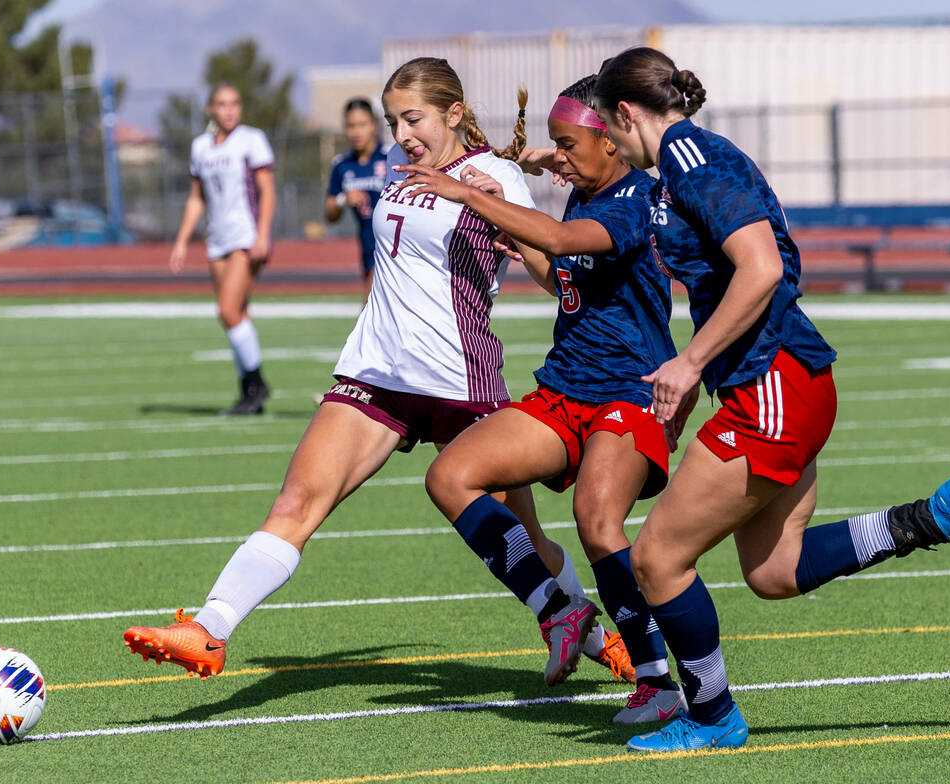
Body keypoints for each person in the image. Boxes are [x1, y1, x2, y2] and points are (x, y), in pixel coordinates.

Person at [573, 46, 950, 753]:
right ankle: (932, 517)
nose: (607, 141)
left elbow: (761, 268)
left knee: (658, 560)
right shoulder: (678, 169)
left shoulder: (694, 160)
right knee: (774, 572)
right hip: (779, 383)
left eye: (607, 127)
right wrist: (705, 370)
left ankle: (712, 716)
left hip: (776, 386)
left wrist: (689, 361)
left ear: (627, 114)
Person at [124, 57, 628, 688]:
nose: (401, 132)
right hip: (375, 369)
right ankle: (211, 628)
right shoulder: (402, 172)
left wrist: (508, 218)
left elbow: (557, 276)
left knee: (525, 539)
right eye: (394, 121)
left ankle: (594, 631)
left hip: (458, 379)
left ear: (452, 112)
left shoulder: (493, 175)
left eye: (412, 118)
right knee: (298, 501)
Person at [402, 75, 686, 721]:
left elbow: (562, 243)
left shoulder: (635, 199)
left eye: (567, 144)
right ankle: (559, 609)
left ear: (611, 140)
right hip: (564, 392)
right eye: (555, 143)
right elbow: (565, 277)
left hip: (626, 395)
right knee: (451, 476)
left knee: (596, 522)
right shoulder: (585, 196)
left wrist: (469, 195)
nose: (557, 156)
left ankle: (656, 681)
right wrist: (523, 244)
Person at [170, 84, 276, 415]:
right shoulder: (200, 147)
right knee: (237, 315)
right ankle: (249, 394)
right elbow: (196, 197)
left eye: (234, 103)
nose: (229, 110)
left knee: (227, 310)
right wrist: (182, 240)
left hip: (245, 238)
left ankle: (257, 383)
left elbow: (267, 190)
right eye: (222, 104)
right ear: (210, 109)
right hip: (216, 240)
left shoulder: (251, 139)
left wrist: (262, 235)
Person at [326, 98, 393, 302]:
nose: (356, 131)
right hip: (367, 247)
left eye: (362, 124)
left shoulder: (391, 157)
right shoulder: (342, 165)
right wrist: (342, 200)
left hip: (392, 247)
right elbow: (330, 214)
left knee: (370, 313)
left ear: (373, 124)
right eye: (351, 126)